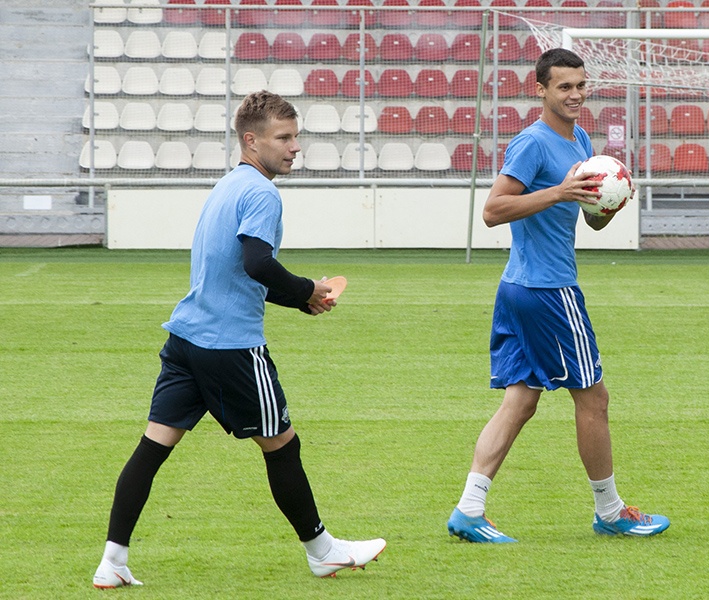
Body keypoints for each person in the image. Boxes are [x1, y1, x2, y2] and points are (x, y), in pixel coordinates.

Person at [92, 91, 385, 588]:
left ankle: (112, 562)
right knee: (282, 446)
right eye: (284, 138)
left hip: (186, 340)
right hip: (230, 348)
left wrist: (300, 301)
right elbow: (257, 264)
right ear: (251, 140)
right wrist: (307, 289)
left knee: (152, 448)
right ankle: (323, 551)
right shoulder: (262, 194)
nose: (295, 147)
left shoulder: (228, 186)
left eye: (296, 137)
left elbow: (231, 274)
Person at [447, 49, 669, 543]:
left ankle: (468, 510)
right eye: (564, 86)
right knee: (594, 399)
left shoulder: (581, 140)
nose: (575, 95)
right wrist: (559, 192)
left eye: (581, 85)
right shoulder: (532, 143)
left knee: (520, 401)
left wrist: (609, 202)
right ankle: (610, 511)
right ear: (541, 90)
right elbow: (493, 210)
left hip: (520, 288)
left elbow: (589, 219)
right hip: (548, 291)